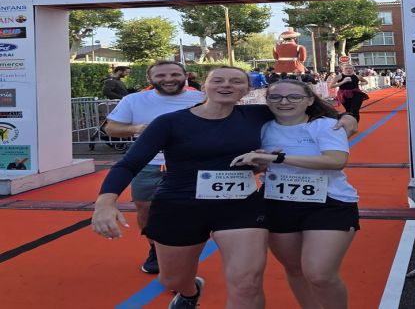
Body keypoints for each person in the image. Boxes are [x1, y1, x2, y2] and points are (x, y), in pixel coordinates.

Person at [92, 66, 358, 309]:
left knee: (247, 283)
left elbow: (307, 110)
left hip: (240, 206)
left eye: (236, 81)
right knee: (172, 278)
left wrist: (347, 118)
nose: (226, 85)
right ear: (203, 86)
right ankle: (189, 291)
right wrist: (105, 202)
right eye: (218, 80)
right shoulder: (169, 122)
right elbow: (129, 164)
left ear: (247, 90)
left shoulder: (258, 114)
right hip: (180, 204)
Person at [231, 79, 359, 309]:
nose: (284, 102)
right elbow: (259, 166)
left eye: (294, 97)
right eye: (276, 97)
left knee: (320, 274)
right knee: (294, 269)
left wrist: (278, 158)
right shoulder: (263, 128)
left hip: (329, 202)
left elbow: (336, 161)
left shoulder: (326, 125)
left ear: (309, 100)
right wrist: (259, 163)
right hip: (277, 203)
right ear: (267, 100)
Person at [104, 60, 205, 274]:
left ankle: (185, 251)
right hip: (149, 163)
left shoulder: (201, 98)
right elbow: (111, 128)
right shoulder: (134, 100)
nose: (168, 79)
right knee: (145, 208)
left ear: (185, 76)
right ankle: (155, 249)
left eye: (174, 74)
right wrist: (138, 128)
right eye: (161, 75)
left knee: (193, 211)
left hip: (192, 165)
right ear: (150, 79)